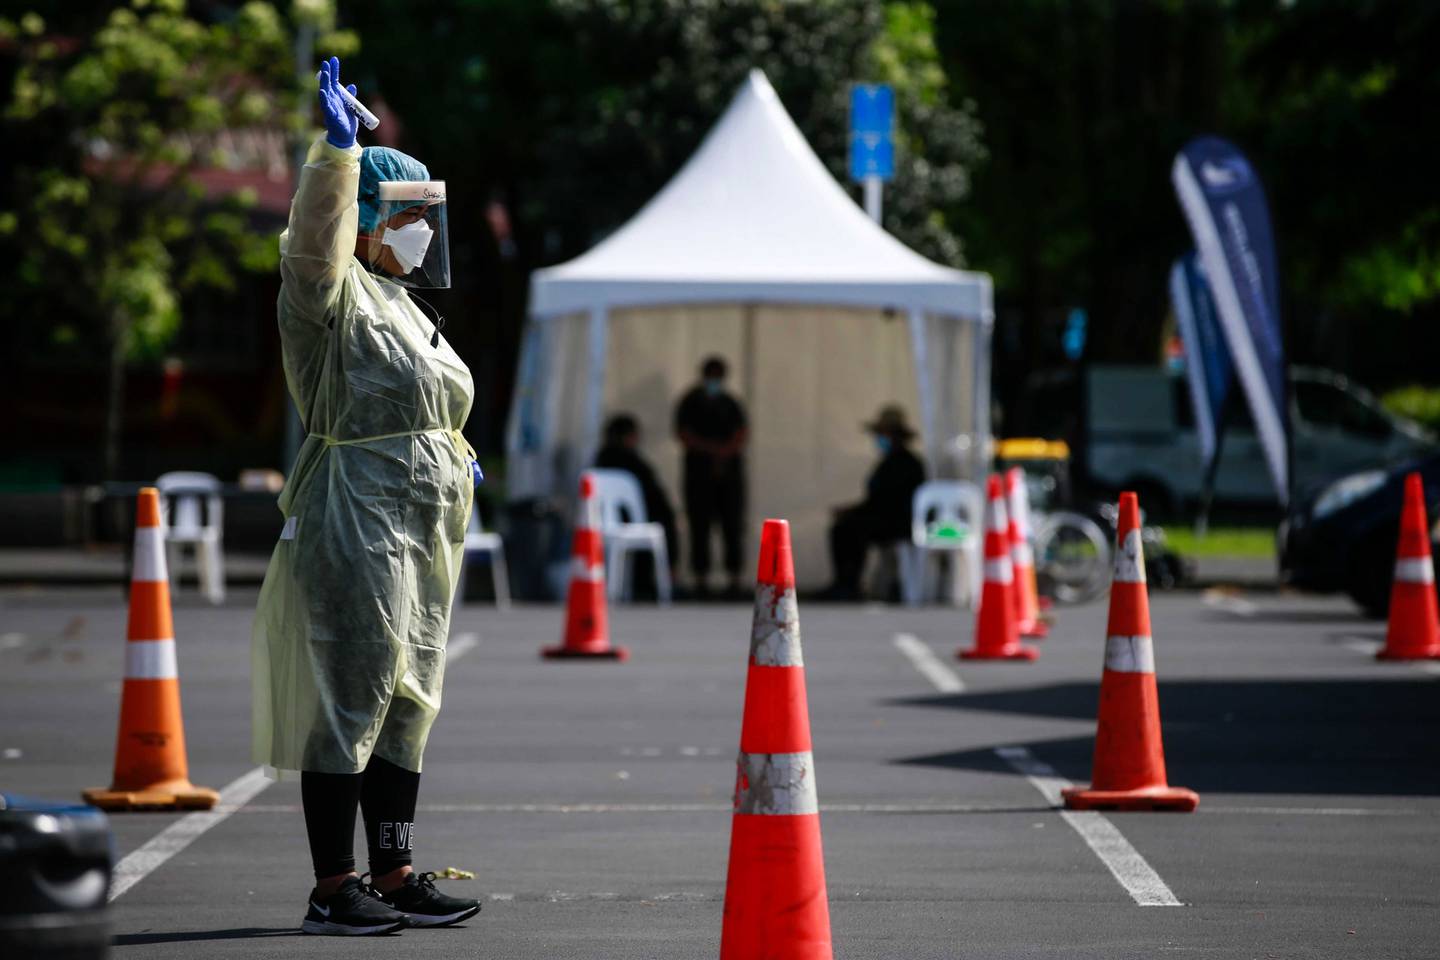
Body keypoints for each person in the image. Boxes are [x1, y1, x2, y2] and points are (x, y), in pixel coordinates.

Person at [252, 57, 481, 937]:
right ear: (368, 221)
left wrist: (455, 457)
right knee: (352, 689)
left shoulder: (407, 306)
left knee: (411, 690)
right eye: (410, 216)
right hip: (357, 511)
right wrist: (337, 161)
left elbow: (434, 403)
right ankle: (332, 884)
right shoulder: (330, 295)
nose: (423, 233)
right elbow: (313, 245)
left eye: (430, 216)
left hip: (424, 520)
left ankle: (393, 869)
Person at [824, 406, 927, 601]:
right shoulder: (888, 462)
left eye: (884, 434)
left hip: (898, 522)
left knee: (850, 528)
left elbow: (887, 502)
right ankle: (844, 582)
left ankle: (848, 585)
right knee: (843, 527)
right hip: (884, 517)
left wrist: (854, 512)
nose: (880, 439)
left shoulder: (906, 464)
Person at [673, 356, 748, 598]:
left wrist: (724, 453)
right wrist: (712, 451)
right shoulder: (690, 402)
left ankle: (734, 578)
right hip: (699, 476)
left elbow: (741, 433)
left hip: (729, 477)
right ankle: (700, 578)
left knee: (732, 526)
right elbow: (684, 434)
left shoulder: (730, 403)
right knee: (699, 526)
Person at [595, 414, 680, 597]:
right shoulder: (631, 461)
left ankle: (642, 585)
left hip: (618, 520)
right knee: (661, 525)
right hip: (637, 518)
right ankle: (652, 584)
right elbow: (653, 494)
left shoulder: (602, 458)